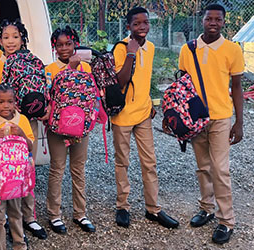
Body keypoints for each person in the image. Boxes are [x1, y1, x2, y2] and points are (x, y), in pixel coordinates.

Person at [165, 3, 244, 244]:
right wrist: (172, 116)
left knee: (220, 168)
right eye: (209, 19)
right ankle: (207, 208)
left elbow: (237, 87)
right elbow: (181, 86)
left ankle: (226, 220)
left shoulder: (232, 50)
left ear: (223, 22)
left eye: (217, 20)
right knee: (202, 166)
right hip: (195, 118)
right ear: (202, 20)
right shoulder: (187, 50)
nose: (212, 23)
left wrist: (239, 122)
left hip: (220, 117)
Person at [111, 7, 179, 229]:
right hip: (122, 116)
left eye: (145, 23)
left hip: (143, 114)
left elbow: (144, 78)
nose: (142, 27)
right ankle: (123, 206)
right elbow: (120, 81)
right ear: (128, 25)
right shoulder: (120, 48)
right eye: (137, 24)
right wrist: (131, 52)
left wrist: (149, 102)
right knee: (123, 162)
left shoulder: (150, 48)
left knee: (149, 162)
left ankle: (153, 208)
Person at [0, 19, 48, 239]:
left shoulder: (33, 61)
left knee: (26, 167)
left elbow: (44, 85)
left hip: (26, 120)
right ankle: (3, 219)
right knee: (4, 170)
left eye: (15, 36)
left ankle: (29, 217)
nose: (10, 41)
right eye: (5, 37)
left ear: (23, 38)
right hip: (1, 123)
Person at [43, 26, 95, 234]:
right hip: (57, 128)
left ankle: (80, 214)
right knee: (57, 169)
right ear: (54, 47)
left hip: (80, 126)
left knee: (78, 169)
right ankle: (54, 215)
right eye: (59, 45)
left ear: (75, 44)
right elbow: (49, 94)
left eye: (68, 44)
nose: (64, 49)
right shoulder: (50, 69)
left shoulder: (87, 68)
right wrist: (71, 70)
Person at [0, 84, 34, 250]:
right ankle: (1, 245)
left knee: (16, 212)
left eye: (10, 101)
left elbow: (30, 147)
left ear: (15, 102)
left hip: (16, 177)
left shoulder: (22, 120)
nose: (6, 105)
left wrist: (22, 134)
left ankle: (19, 244)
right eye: (1, 101)